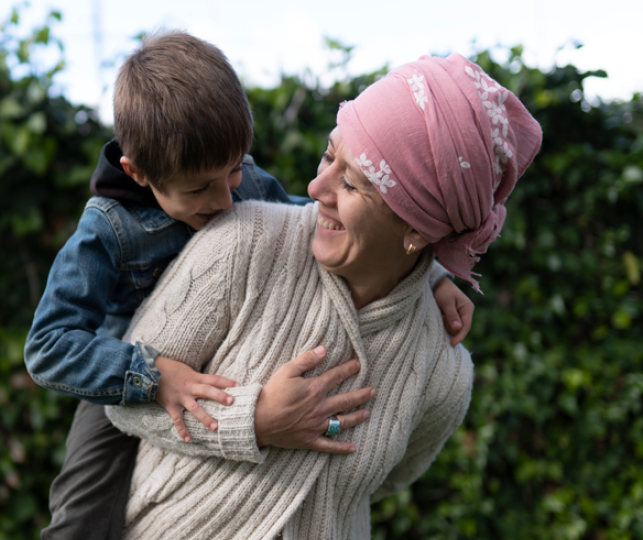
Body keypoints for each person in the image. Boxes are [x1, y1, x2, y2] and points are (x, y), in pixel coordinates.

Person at [24, 32, 475, 540]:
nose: (225, 202)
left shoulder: (247, 193)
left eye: (234, 171)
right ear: (139, 172)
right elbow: (47, 347)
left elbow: (326, 223)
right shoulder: (106, 230)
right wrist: (152, 375)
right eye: (198, 189)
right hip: (118, 372)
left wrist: (433, 275)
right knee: (80, 517)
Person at [106, 53, 542, 540]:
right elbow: (122, 400)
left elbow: (386, 482)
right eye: (329, 156)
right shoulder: (243, 243)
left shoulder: (445, 371)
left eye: (351, 182)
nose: (316, 187)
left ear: (416, 228)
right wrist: (254, 421)